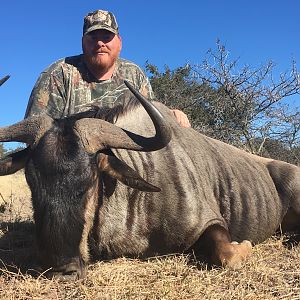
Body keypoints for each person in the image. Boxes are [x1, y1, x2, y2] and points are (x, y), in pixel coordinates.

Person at [25, 9, 191, 128]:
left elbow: (150, 120)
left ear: (119, 43)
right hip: (70, 167)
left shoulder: (134, 74)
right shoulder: (58, 74)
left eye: (106, 37)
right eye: (93, 37)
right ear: (83, 42)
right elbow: (35, 132)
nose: (100, 43)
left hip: (125, 162)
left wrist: (171, 114)